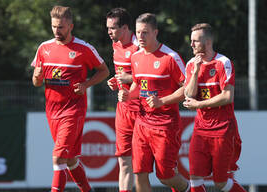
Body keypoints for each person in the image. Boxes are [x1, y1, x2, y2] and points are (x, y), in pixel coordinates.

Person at [31, 5, 109, 192]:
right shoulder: (44, 48)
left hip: (74, 110)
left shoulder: (84, 48)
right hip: (52, 111)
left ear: (71, 26)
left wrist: (86, 85)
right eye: (54, 27)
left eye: (61, 27)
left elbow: (104, 71)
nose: (57, 31)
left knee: (58, 157)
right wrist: (37, 76)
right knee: (71, 159)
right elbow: (36, 82)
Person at [118, 13, 189, 192]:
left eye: (145, 32)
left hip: (166, 125)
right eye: (138, 32)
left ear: (155, 32)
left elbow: (188, 89)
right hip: (142, 124)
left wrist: (162, 101)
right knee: (140, 173)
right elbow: (137, 84)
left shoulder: (170, 57)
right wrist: (128, 94)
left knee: (165, 176)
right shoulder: (135, 57)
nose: (140, 37)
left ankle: (189, 188)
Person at [183, 23, 246, 192]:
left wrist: (199, 104)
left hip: (223, 130)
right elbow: (189, 94)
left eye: (195, 41)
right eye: (191, 41)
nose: (192, 44)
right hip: (200, 130)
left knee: (221, 183)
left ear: (208, 42)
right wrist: (195, 73)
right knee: (194, 178)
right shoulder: (191, 64)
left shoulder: (223, 63)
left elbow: (227, 96)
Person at [105, 7, 140, 192]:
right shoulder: (116, 45)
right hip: (124, 111)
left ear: (125, 28)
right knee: (124, 162)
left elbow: (151, 78)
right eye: (108, 28)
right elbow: (122, 74)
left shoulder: (140, 47)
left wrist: (129, 78)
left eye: (112, 28)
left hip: (144, 111)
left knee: (160, 169)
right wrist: (116, 80)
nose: (109, 32)